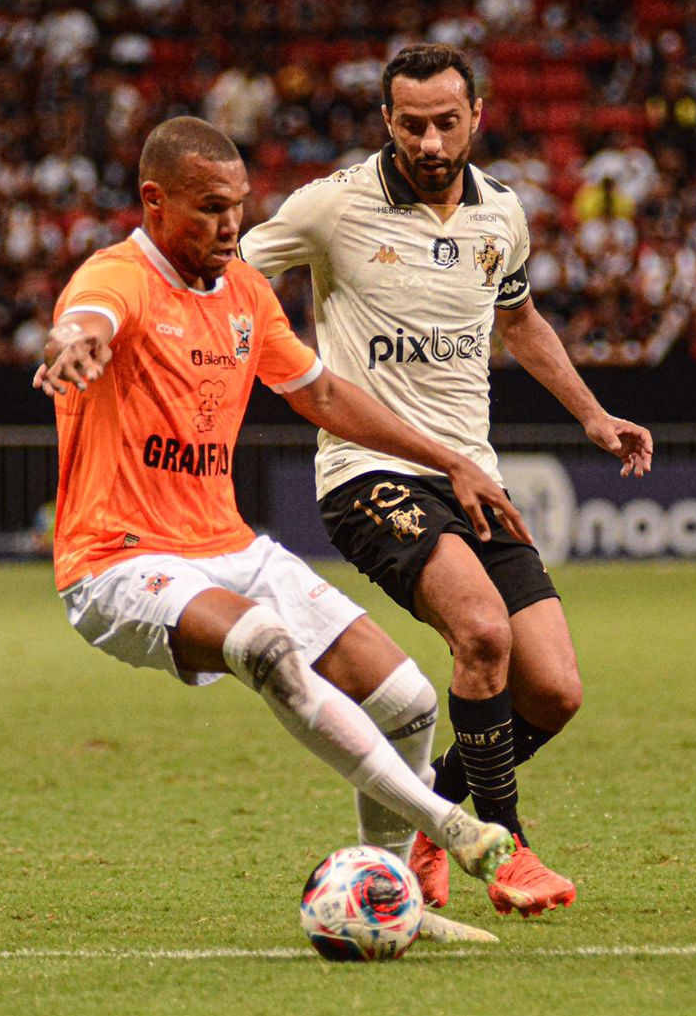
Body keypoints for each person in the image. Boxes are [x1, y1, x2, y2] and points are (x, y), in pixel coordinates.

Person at [32, 115, 527, 943]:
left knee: (405, 701)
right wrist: (73, 341)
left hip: (228, 545)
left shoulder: (244, 293)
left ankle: (390, 897)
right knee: (262, 645)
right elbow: (87, 319)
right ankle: (450, 826)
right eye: (209, 209)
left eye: (240, 207)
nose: (232, 227)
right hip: (117, 559)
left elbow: (324, 397)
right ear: (154, 203)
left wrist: (450, 461)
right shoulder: (116, 276)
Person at [239, 44, 654, 917]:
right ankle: (506, 850)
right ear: (386, 121)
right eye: (412, 124)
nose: (430, 141)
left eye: (446, 122)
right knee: (482, 633)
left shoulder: (501, 214)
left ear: (477, 117)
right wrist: (278, 363)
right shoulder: (332, 208)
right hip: (370, 473)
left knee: (554, 690)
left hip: (475, 477)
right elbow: (232, 274)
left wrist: (591, 413)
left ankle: (431, 820)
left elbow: (522, 318)